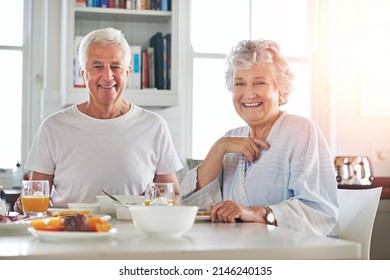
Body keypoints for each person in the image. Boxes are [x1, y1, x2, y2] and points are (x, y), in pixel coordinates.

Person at [181, 39, 339, 236]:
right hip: (238, 252)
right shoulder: (231, 138)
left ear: (280, 89)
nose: (248, 93)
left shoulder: (300, 131)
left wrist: (256, 213)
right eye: (240, 83)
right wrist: (219, 147)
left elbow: (319, 212)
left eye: (259, 83)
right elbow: (191, 205)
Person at [14, 27, 182, 212]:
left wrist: (154, 204)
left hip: (135, 236)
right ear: (83, 73)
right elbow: (36, 196)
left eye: (115, 66)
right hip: (71, 234)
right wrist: (25, 205)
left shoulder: (154, 126)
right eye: (97, 66)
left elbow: (171, 194)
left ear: (128, 71)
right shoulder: (52, 127)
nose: (108, 76)